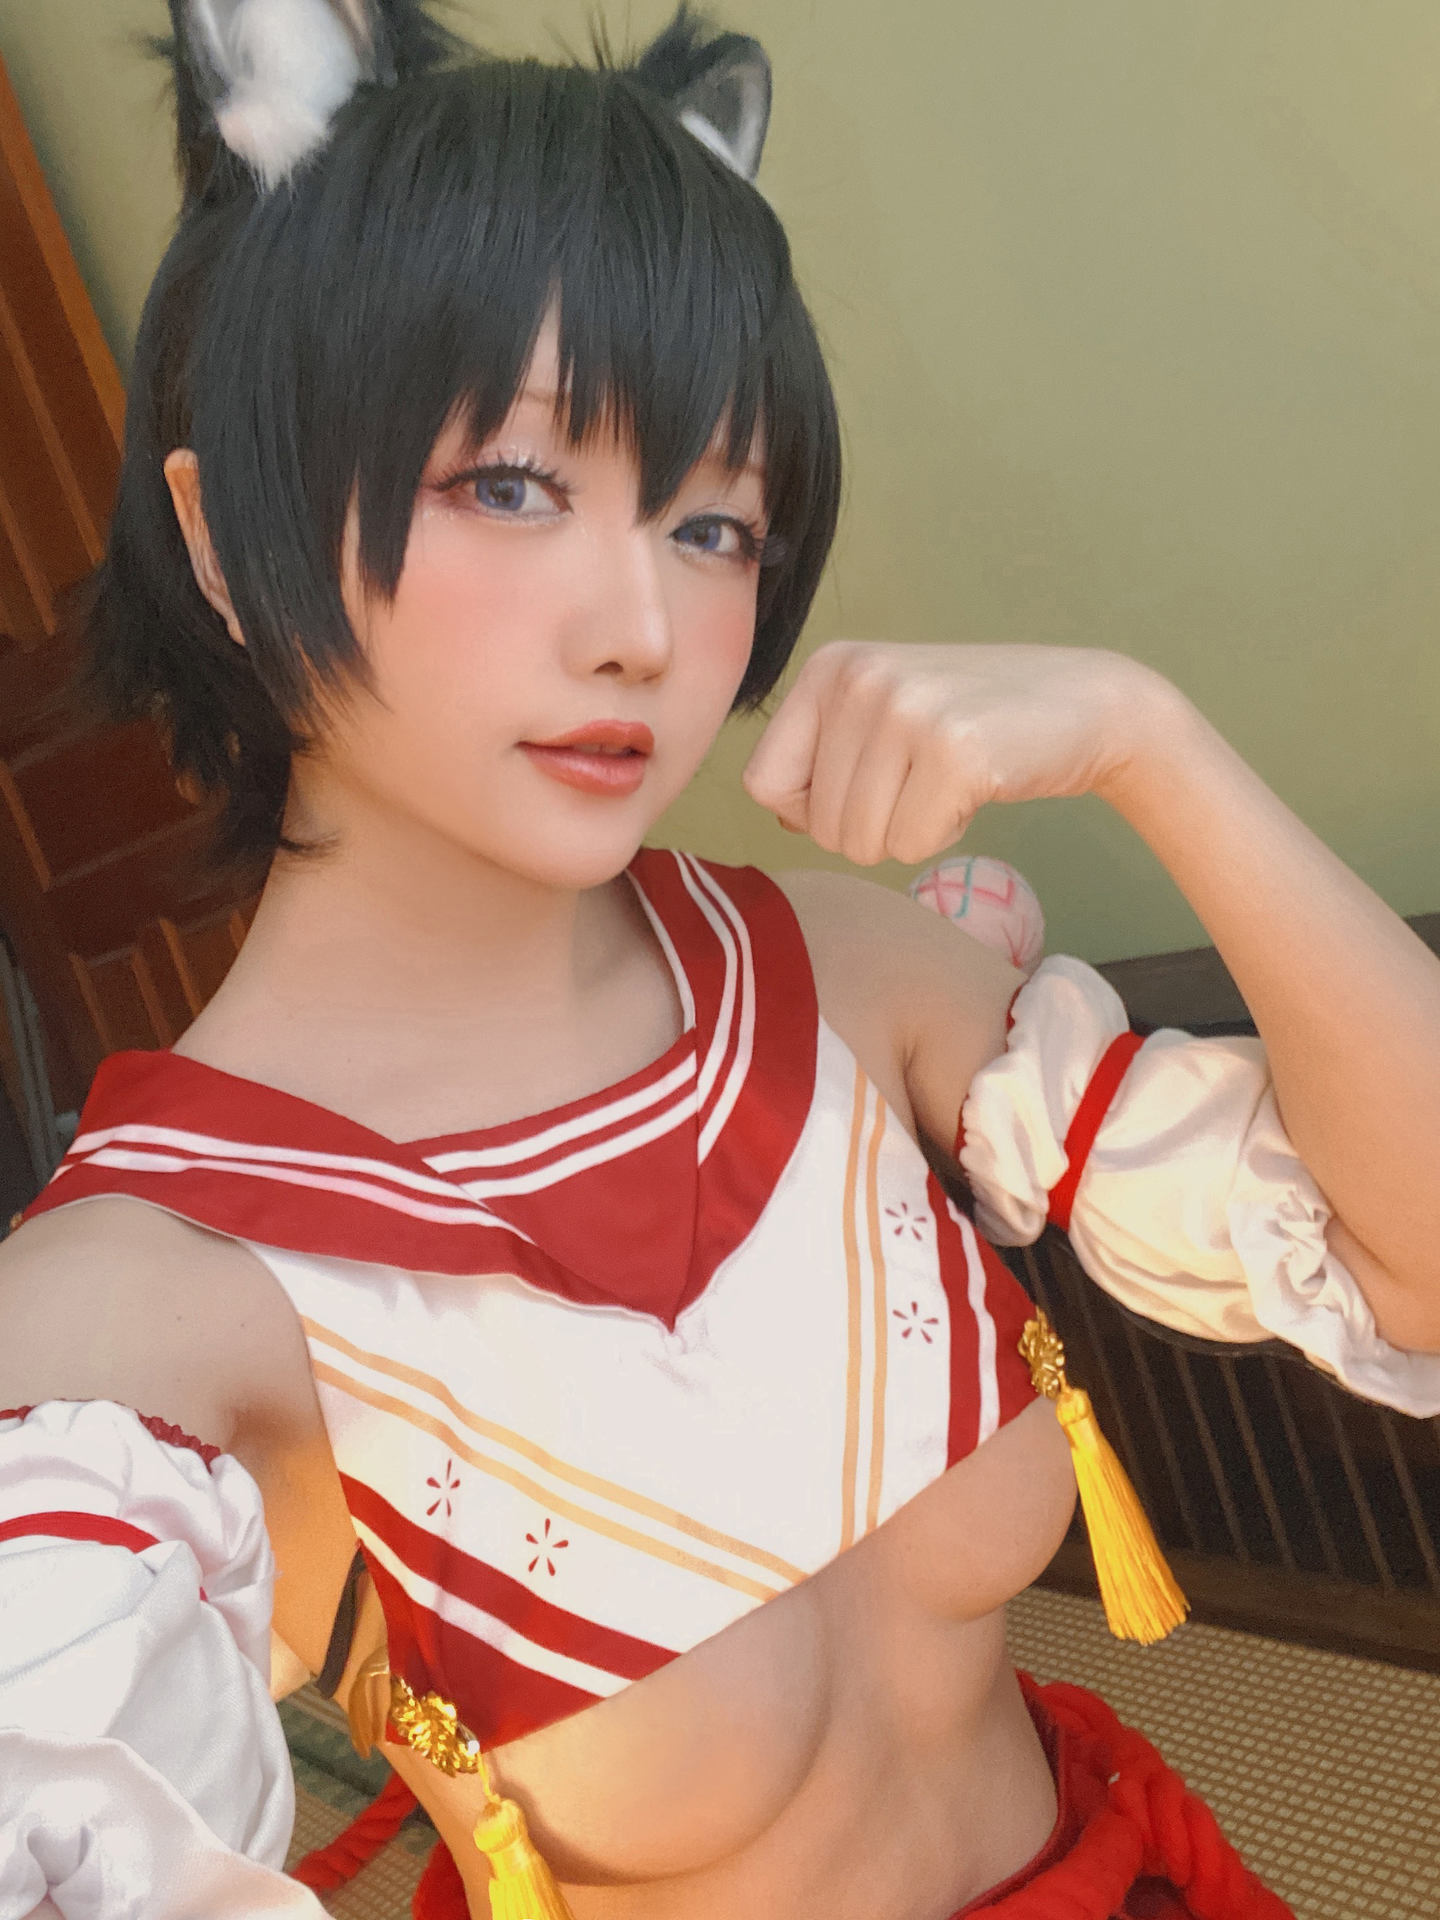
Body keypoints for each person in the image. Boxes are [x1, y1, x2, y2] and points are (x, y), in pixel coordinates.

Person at [3, 4, 1439, 1916]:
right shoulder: (138, 1309)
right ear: (224, 538)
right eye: (506, 484)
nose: (644, 627)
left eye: (713, 522)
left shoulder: (843, 981)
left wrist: (1148, 740)